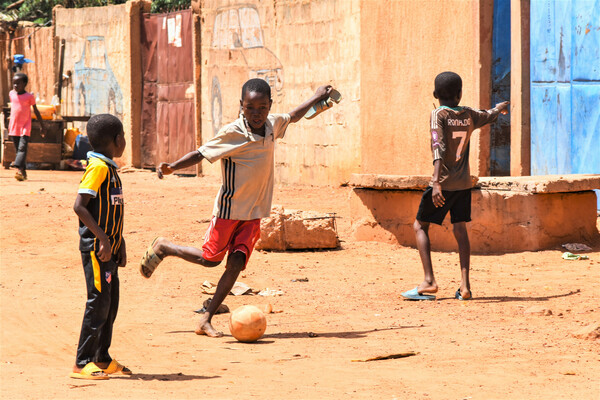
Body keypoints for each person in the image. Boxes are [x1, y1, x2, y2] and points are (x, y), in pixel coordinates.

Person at [139, 78, 335, 337]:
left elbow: (294, 115)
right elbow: (201, 153)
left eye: (262, 107)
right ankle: (165, 247)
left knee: (236, 263)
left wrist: (317, 95)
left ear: (269, 106)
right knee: (210, 261)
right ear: (241, 106)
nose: (256, 113)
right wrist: (173, 166)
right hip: (228, 213)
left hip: (254, 213)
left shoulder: (272, 125)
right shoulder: (233, 133)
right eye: (250, 108)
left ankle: (206, 319)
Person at [401, 71, 509, 301]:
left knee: (420, 225)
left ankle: (429, 281)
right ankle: (465, 286)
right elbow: (488, 114)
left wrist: (436, 182)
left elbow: (437, 148)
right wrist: (500, 108)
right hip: (463, 184)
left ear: (435, 94)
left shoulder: (438, 114)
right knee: (460, 229)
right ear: (460, 94)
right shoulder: (469, 114)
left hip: (444, 182)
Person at [70, 114, 131, 380]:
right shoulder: (98, 168)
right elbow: (80, 206)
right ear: (118, 140)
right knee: (98, 302)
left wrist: (120, 242)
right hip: (97, 249)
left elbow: (112, 210)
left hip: (110, 250)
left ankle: (102, 358)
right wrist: (104, 239)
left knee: (110, 302)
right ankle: (82, 362)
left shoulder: (110, 168)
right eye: (124, 136)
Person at [8, 73, 46, 181]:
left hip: (25, 126)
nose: (15, 85)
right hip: (14, 126)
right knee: (18, 150)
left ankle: (17, 167)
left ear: (24, 84)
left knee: (22, 148)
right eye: (14, 83)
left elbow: (36, 111)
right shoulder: (11, 94)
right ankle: (23, 171)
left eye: (18, 83)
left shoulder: (29, 97)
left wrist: (42, 125)